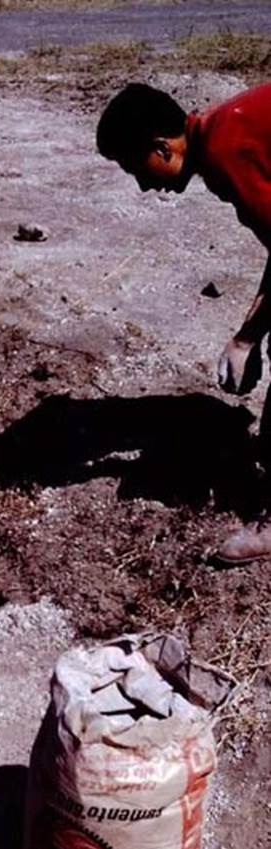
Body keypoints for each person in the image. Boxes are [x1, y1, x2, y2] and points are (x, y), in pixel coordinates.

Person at [96, 81, 271, 564]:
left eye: (137, 168)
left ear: (161, 146)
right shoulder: (225, 126)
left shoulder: (224, 147)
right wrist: (252, 334)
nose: (142, 185)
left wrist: (247, 337)